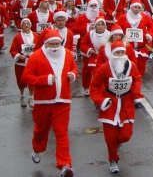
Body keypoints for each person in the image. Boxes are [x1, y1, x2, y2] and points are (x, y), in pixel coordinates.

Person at [22, 28, 78, 177]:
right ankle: (37, 148)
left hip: (63, 101)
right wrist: (44, 80)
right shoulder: (36, 57)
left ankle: (65, 165)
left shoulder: (66, 53)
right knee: (41, 130)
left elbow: (73, 67)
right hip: (43, 102)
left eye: (57, 44)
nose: (54, 47)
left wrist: (73, 74)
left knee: (62, 133)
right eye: (51, 44)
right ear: (46, 44)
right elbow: (26, 77)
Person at [89, 40, 144, 173]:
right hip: (110, 104)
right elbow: (94, 86)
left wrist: (136, 93)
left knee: (126, 135)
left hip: (126, 104)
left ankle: (117, 144)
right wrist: (100, 100)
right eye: (117, 53)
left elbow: (137, 78)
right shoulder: (104, 68)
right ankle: (113, 159)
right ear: (112, 54)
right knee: (110, 137)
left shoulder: (131, 66)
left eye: (122, 52)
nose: (120, 55)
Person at [116, 0, 153, 77]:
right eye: (135, 7)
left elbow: (152, 26)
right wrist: (119, 37)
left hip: (141, 48)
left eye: (139, 8)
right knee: (127, 69)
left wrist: (149, 35)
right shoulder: (123, 17)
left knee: (141, 69)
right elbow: (117, 27)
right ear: (131, 7)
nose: (137, 10)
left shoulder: (145, 17)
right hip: (127, 48)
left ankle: (137, 84)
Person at [9, 18, 39, 107]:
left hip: (32, 63)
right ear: (21, 26)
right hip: (21, 64)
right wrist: (19, 56)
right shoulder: (17, 37)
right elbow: (13, 50)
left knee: (32, 80)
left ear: (30, 25)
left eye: (28, 24)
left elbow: (39, 48)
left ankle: (31, 97)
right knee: (21, 81)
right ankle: (22, 96)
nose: (26, 26)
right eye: (24, 24)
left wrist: (36, 55)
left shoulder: (36, 36)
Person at [80, 16, 110, 96]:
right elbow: (83, 43)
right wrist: (89, 50)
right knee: (86, 73)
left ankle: (100, 90)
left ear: (105, 26)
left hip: (103, 57)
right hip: (91, 56)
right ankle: (86, 87)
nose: (100, 26)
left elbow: (112, 44)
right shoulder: (90, 34)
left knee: (99, 73)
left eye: (102, 25)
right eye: (98, 25)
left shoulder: (108, 34)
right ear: (95, 26)